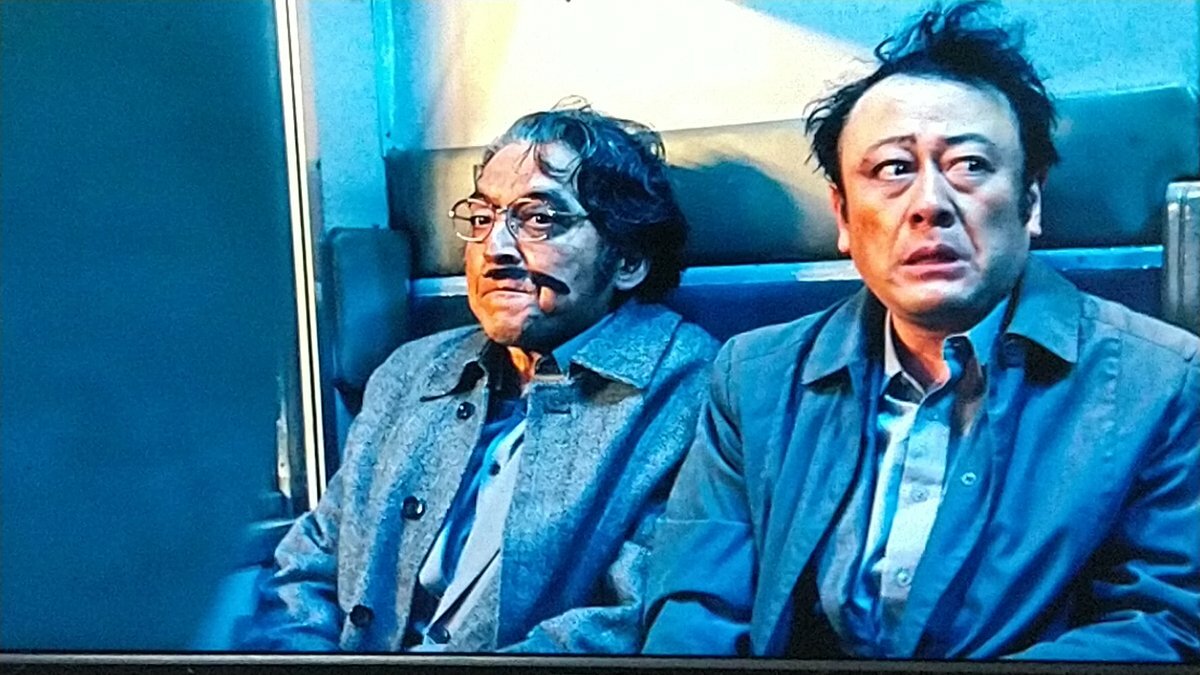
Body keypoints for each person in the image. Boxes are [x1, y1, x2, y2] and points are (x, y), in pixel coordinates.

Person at [642, 1, 1198, 661]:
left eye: (969, 164)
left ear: (1030, 200)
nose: (930, 204)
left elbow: (1167, 623)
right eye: (893, 169)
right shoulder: (752, 377)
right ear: (843, 217)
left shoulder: (1163, 381)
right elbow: (696, 608)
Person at [242, 104, 718, 652]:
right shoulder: (412, 371)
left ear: (628, 260)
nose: (494, 250)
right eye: (483, 219)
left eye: (540, 219)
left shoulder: (693, 387)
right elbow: (310, 565)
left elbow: (632, 619)